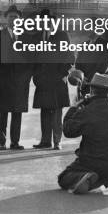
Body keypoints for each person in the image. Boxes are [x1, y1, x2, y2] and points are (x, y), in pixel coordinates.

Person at [58, 73, 108, 194]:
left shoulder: (87, 111)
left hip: (95, 160)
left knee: (64, 178)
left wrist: (74, 108)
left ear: (92, 90)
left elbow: (68, 131)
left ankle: (94, 179)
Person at [0, 5, 32, 150]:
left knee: (17, 112)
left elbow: (30, 60)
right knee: (3, 112)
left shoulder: (26, 37)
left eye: (16, 17)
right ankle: (2, 142)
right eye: (11, 17)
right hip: (2, 80)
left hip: (20, 82)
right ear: (5, 18)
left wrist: (27, 77)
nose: (14, 19)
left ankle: (15, 142)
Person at [32, 9, 73, 150]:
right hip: (42, 81)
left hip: (57, 80)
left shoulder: (62, 35)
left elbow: (70, 57)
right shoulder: (38, 36)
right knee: (44, 111)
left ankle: (57, 141)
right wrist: (36, 77)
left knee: (56, 112)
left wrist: (63, 74)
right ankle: (45, 141)